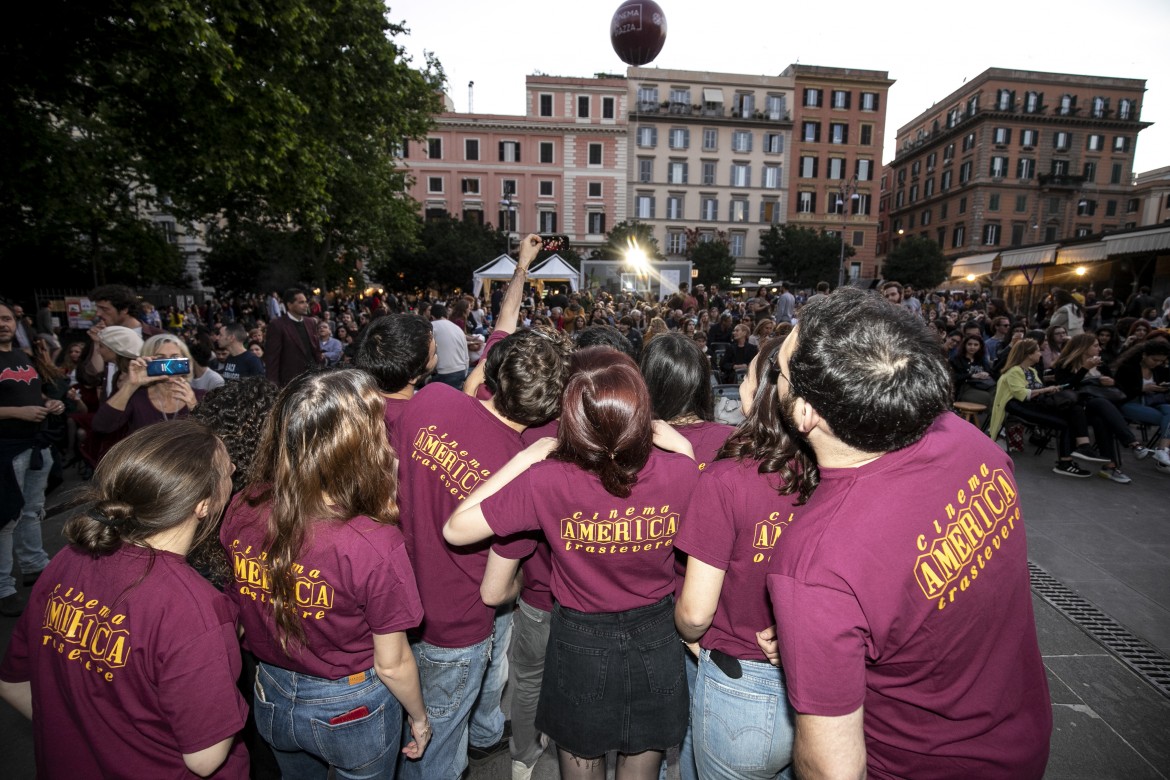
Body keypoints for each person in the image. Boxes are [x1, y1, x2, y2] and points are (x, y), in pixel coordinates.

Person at [764, 287, 1052, 779]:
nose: (774, 375)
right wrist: (828, 640)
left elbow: (832, 770)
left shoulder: (815, 562)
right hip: (1020, 736)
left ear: (807, 411)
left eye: (780, 370)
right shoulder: (968, 442)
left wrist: (823, 624)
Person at [445, 348, 699, 780]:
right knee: (643, 764)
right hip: (657, 636)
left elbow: (456, 529)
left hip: (581, 639)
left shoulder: (547, 480)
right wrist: (688, 452)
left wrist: (523, 460)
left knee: (581, 764)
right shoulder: (682, 472)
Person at [0, 420, 249, 777]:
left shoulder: (69, 558)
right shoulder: (193, 608)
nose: (235, 471)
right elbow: (205, 758)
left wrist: (98, 737)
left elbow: (12, 684)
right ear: (203, 505)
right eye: (228, 470)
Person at [221, 370, 431, 778]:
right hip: (349, 705)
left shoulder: (244, 505)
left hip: (271, 691)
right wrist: (420, 719)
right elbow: (392, 663)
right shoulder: (373, 542)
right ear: (361, 446)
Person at [392, 312, 567, 780]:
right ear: (548, 412)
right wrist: (516, 594)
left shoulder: (428, 399)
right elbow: (495, 592)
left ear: (492, 370)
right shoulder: (526, 479)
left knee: (407, 735)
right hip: (458, 627)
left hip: (396, 602)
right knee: (436, 754)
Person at [674, 339, 814, 780]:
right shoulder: (834, 470)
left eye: (749, 376)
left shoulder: (729, 478)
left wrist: (688, 632)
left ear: (767, 392)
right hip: (822, 683)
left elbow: (696, 613)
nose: (741, 386)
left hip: (742, 686)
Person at [0, 302, 61, 617]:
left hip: (35, 446)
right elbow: (16, 405)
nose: (3, 324)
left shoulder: (22, 356)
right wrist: (16, 413)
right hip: (6, 450)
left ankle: (35, 566)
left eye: (7, 318)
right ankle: (3, 588)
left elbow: (30, 394)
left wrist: (49, 403)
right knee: (6, 518)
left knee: (31, 511)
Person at [989, 339, 1109, 477]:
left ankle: (1079, 450)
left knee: (1074, 410)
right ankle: (1070, 458)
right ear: (1029, 354)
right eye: (1038, 351)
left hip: (1035, 404)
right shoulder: (1014, 371)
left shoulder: (1032, 371)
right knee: (1067, 420)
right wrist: (1045, 390)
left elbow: (1037, 389)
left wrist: (1048, 390)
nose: (1040, 353)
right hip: (1019, 406)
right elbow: (1023, 394)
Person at [1054, 334, 1152, 483]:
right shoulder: (1065, 364)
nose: (1099, 348)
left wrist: (1111, 382)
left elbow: (1119, 390)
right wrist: (1084, 369)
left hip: (1097, 408)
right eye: (1095, 345)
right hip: (1075, 407)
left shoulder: (1101, 365)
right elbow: (1064, 387)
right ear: (1083, 347)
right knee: (1100, 404)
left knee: (1101, 420)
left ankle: (1110, 467)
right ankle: (1133, 444)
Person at [93, 333, 203, 437]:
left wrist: (194, 407)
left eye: (175, 357)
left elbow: (214, 438)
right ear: (147, 361)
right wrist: (130, 385)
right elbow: (102, 426)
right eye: (160, 358)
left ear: (186, 361)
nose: (168, 364)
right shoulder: (136, 398)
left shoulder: (202, 397)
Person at [355, 314, 436, 434]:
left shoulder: (357, 406)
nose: (436, 354)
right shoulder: (421, 421)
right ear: (413, 376)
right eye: (434, 354)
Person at [1112, 339, 1170, 471]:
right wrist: (1143, 389)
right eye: (1155, 360)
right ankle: (1162, 455)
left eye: (1161, 361)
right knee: (1167, 420)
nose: (1158, 363)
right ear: (1144, 355)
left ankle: (1162, 449)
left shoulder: (1160, 370)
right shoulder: (1128, 367)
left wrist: (1164, 387)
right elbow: (1120, 391)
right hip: (1129, 402)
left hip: (1155, 402)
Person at [264, 288, 323, 387]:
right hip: (291, 381)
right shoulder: (277, 325)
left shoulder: (310, 322)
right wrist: (273, 385)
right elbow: (272, 358)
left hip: (313, 378)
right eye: (301, 302)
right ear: (289, 305)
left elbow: (315, 349)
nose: (306, 305)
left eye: (306, 302)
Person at [429, 303, 470, 389]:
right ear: (446, 315)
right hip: (461, 371)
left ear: (432, 317)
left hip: (444, 373)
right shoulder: (457, 328)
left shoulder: (431, 327)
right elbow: (466, 356)